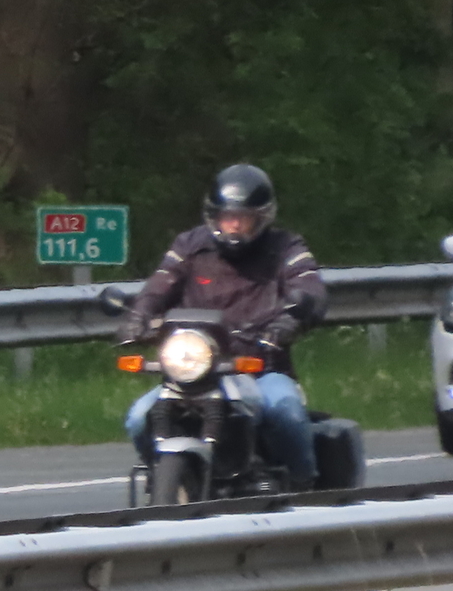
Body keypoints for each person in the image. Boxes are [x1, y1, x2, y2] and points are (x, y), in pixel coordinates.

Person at [121, 164, 327, 483]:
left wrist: (290, 320)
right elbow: (158, 287)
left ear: (261, 217)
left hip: (261, 367)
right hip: (195, 372)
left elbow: (309, 287)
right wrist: (138, 317)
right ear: (213, 216)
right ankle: (164, 478)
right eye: (226, 216)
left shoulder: (285, 247)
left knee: (285, 412)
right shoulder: (190, 246)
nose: (233, 225)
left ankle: (306, 489)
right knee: (138, 418)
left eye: (242, 218)